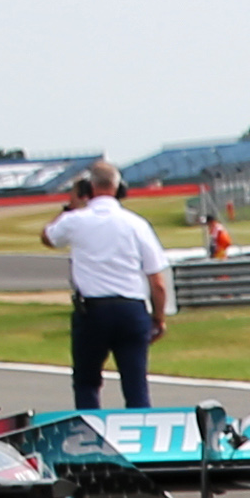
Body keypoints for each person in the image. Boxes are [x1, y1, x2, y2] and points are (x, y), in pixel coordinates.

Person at [42, 166, 173, 407]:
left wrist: (71, 205)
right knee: (136, 385)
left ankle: (90, 436)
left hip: (93, 311)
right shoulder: (137, 224)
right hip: (131, 310)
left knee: (86, 382)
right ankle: (142, 436)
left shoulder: (74, 220)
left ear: (87, 189)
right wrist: (159, 318)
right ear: (119, 188)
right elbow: (158, 282)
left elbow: (48, 237)